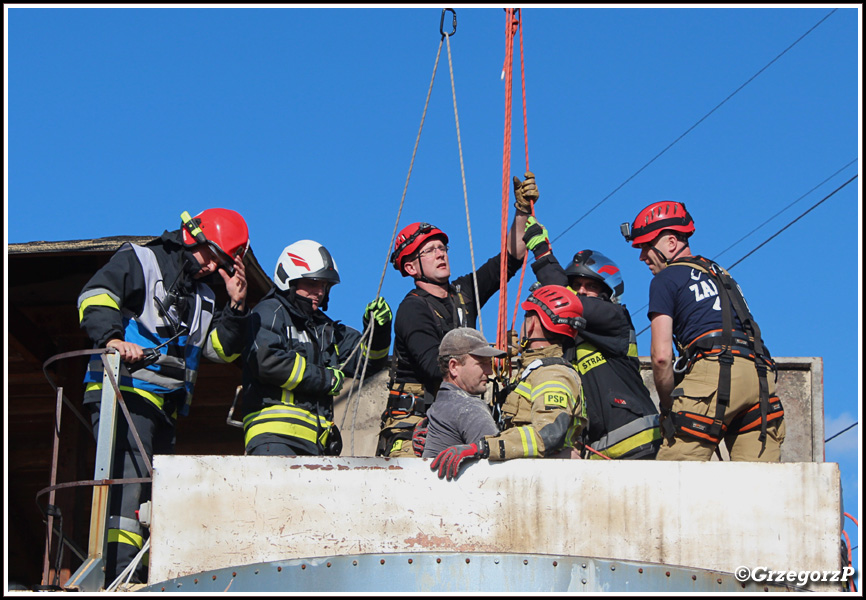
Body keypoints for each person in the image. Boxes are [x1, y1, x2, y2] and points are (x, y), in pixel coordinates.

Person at [77, 208, 251, 585]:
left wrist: (236, 307)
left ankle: (141, 571)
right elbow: (95, 295)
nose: (209, 268)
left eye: (220, 263)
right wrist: (112, 339)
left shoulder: (204, 297)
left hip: (164, 407)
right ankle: (119, 575)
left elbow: (218, 351)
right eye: (210, 256)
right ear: (193, 237)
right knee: (129, 486)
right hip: (123, 392)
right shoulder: (141, 260)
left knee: (153, 498)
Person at [378, 172, 541, 458]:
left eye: (442, 247)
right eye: (429, 250)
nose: (440, 254)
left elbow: (509, 261)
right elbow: (433, 368)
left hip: (454, 416)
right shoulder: (413, 309)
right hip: (413, 428)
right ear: (411, 268)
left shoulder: (463, 294)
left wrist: (522, 213)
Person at [622, 201, 784, 461]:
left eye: (645, 246)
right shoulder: (721, 273)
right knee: (759, 488)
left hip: (712, 372)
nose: (642, 257)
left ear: (671, 243)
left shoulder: (666, 279)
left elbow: (662, 356)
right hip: (760, 377)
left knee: (673, 480)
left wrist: (668, 407)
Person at [524, 217, 661, 459]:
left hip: (638, 443)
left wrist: (542, 253)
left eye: (590, 285)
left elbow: (572, 303)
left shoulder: (615, 318)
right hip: (600, 452)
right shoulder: (572, 339)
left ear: (607, 292)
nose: (582, 290)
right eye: (576, 284)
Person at [241, 239, 392, 456]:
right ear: (289, 280)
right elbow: (266, 361)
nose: (320, 292)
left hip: (317, 444)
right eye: (312, 283)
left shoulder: (325, 329)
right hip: (274, 438)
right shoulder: (270, 312)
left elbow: (368, 365)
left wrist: (378, 331)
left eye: (324, 285)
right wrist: (324, 378)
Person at [430, 285, 587, 481]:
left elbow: (548, 433)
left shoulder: (552, 374)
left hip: (544, 486)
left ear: (531, 324)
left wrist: (483, 447)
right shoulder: (534, 372)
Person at [421, 327, 504, 459]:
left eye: (490, 363)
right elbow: (496, 464)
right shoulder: (468, 407)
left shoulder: (439, 407)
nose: (489, 371)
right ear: (453, 367)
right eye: (482, 363)